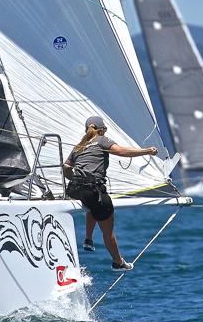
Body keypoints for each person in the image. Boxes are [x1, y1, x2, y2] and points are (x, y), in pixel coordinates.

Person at [63, 116, 158, 271]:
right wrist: (146, 151)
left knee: (92, 205)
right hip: (92, 191)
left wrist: (72, 175)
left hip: (74, 189)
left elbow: (66, 167)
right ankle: (118, 262)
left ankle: (88, 239)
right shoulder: (102, 140)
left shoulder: (78, 146)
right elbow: (121, 151)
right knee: (108, 231)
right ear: (101, 130)